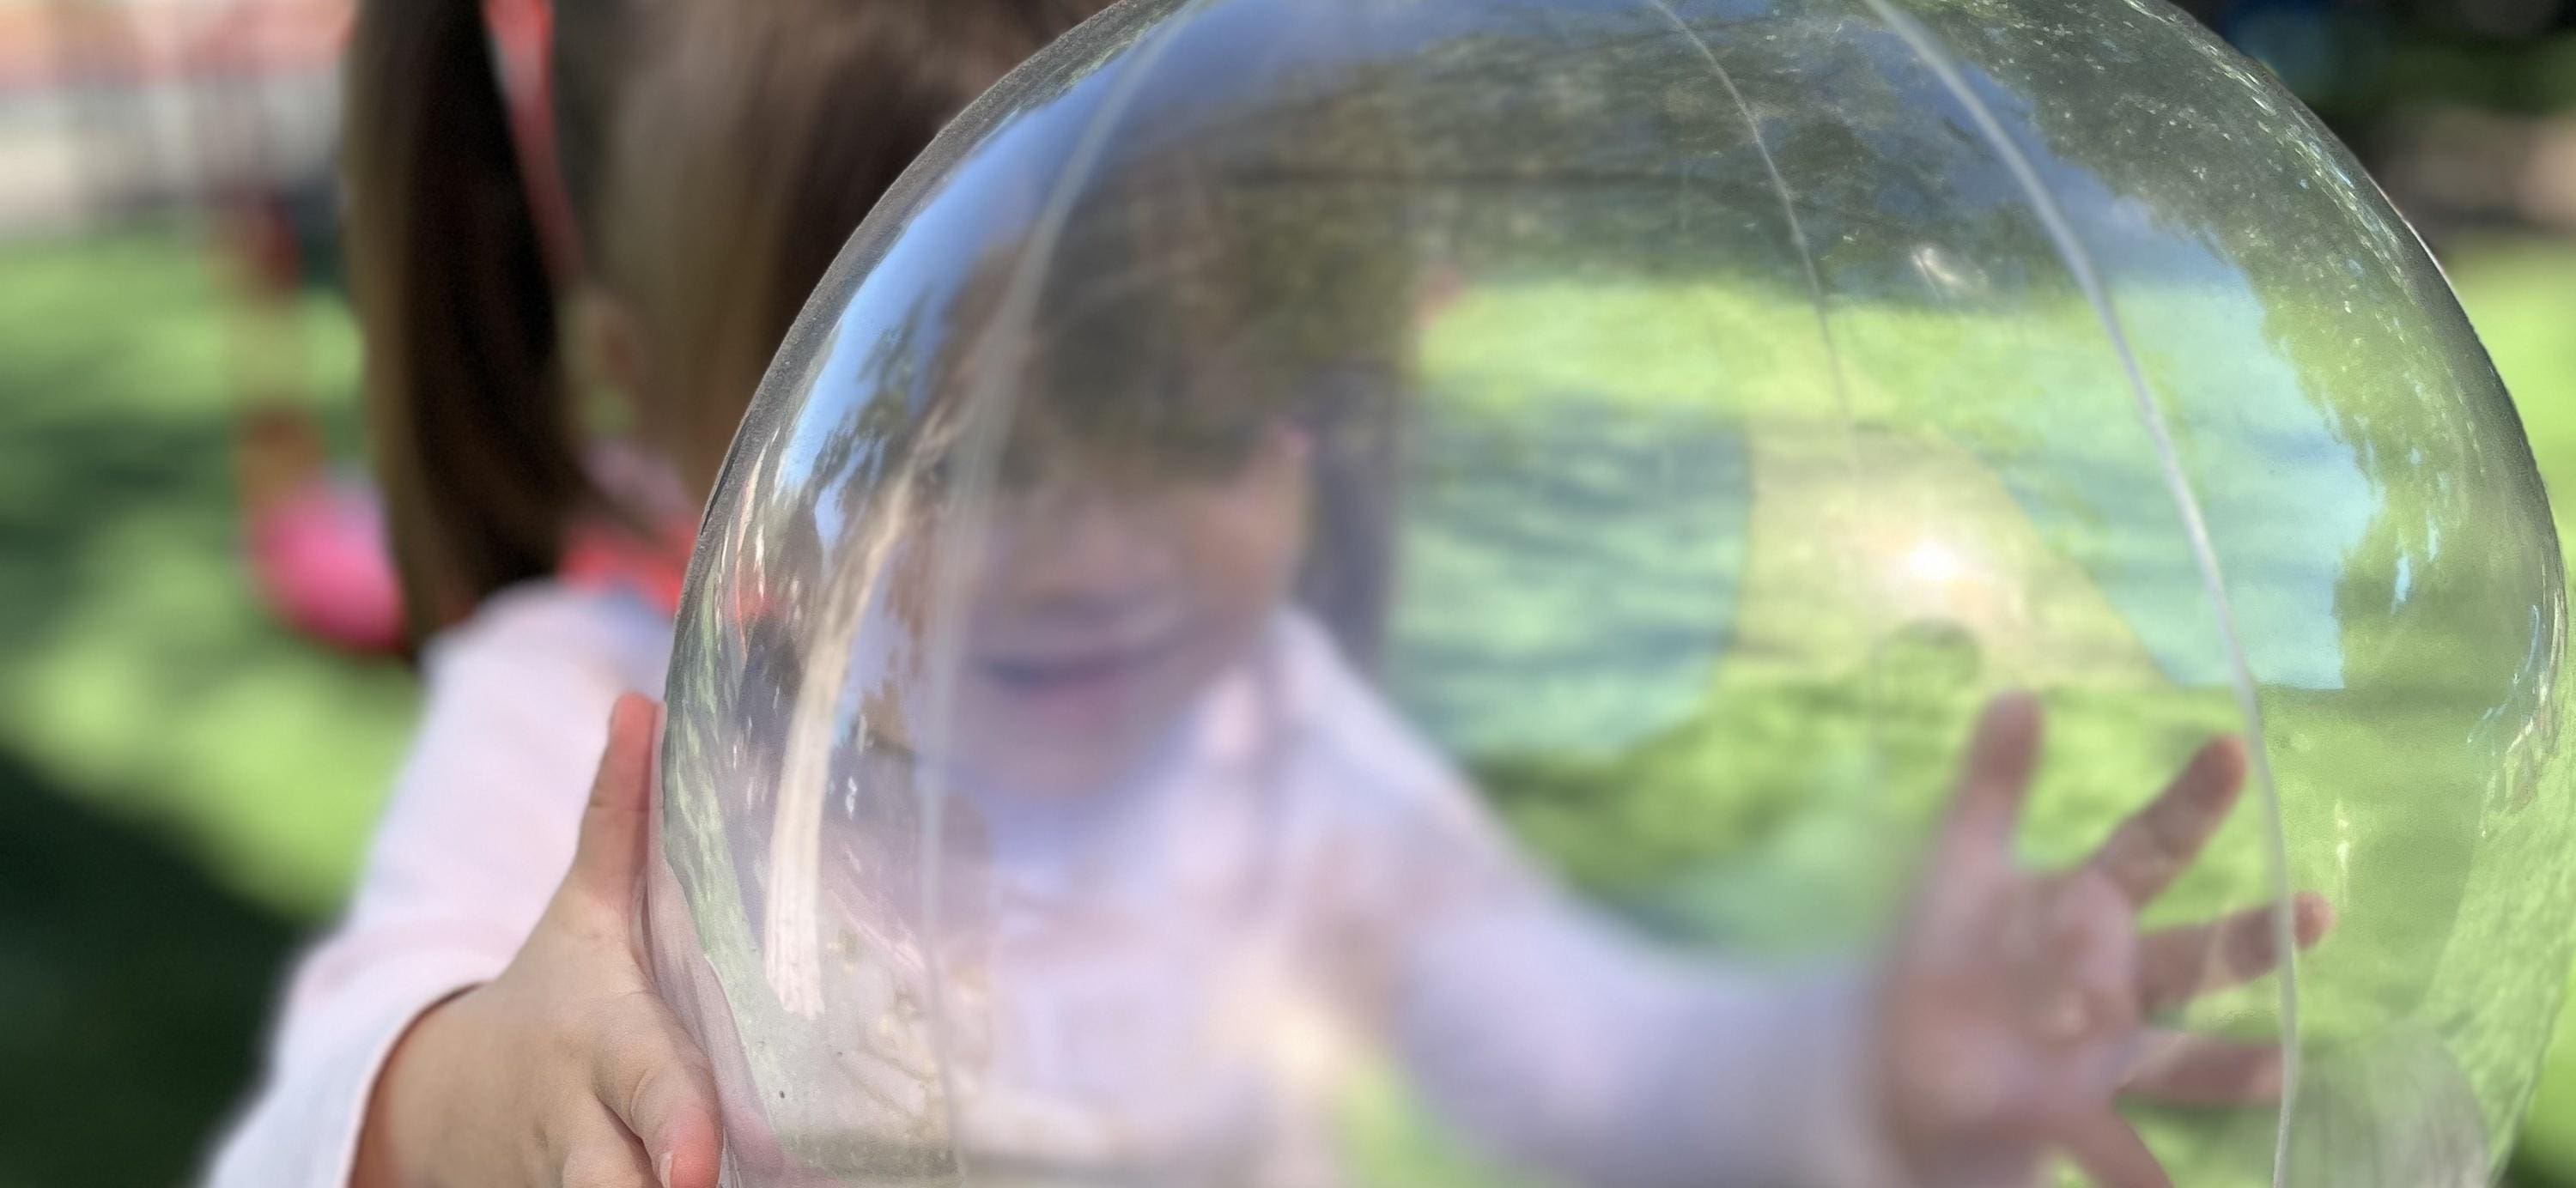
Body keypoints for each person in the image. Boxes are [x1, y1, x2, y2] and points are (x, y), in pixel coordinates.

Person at [669, 169, 2339, 1186]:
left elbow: (1601, 1059)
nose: (1092, 547)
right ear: (805, 432)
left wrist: (1870, 1057)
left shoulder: (1273, 737)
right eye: (976, 465)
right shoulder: (641, 737)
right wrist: (490, 1074)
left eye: (1188, 431)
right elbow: (420, 1019)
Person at [203, 1, 1110, 1185]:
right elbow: (284, 1155)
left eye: (1175, 408)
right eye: (916, 460)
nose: (1079, 535)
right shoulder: (573, 713)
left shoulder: (1230, 705)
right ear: (655, 393)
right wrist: (497, 1098)